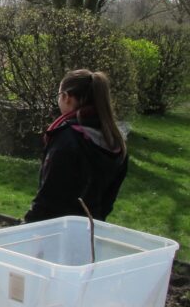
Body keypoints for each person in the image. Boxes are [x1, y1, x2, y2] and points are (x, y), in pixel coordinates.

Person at [24, 69, 128, 223]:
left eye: (59, 96)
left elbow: (48, 198)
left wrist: (25, 228)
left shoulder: (67, 139)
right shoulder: (116, 143)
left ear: (66, 97)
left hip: (54, 231)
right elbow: (107, 201)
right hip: (90, 230)